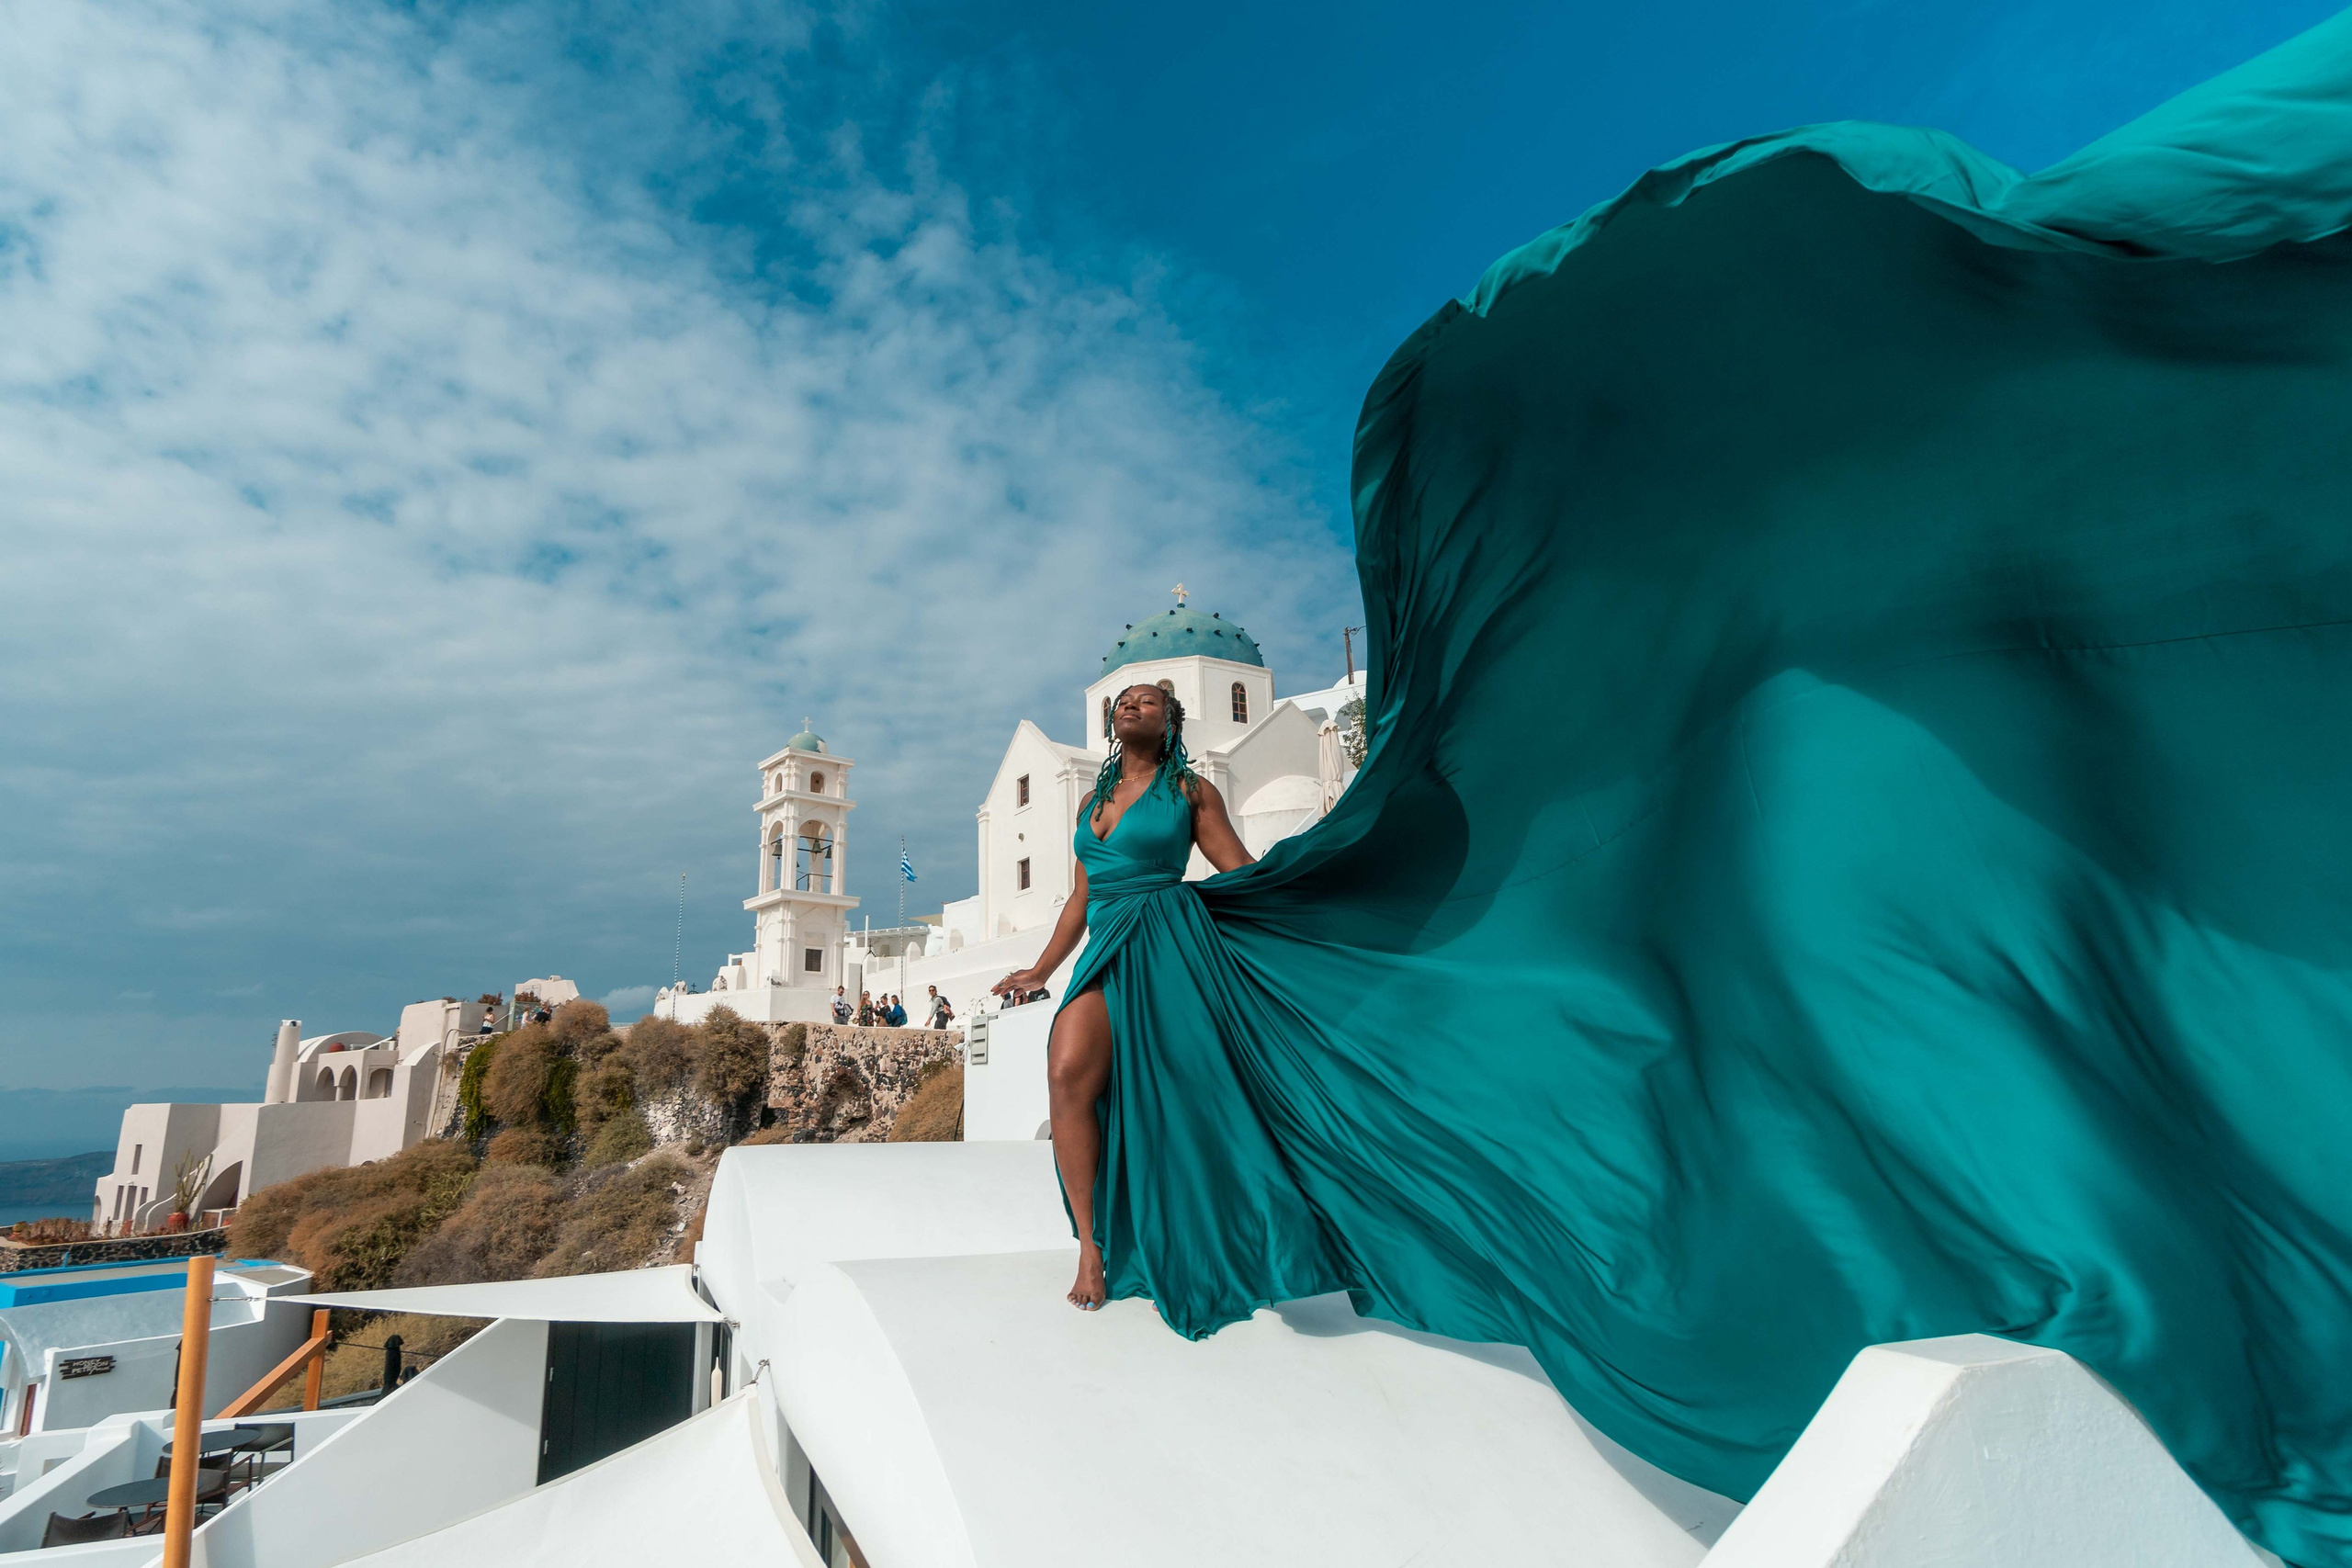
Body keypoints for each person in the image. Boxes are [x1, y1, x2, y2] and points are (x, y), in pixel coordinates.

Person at [992, 682, 1253, 1309]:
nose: (1131, 704)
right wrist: (1041, 969)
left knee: (1183, 1092)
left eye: (1148, 701)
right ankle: (1091, 1244)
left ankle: (1210, 1231)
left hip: (1170, 945)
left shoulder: (1191, 791)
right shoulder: (1091, 802)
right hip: (1105, 947)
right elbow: (1082, 897)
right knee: (1066, 1072)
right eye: (1124, 701)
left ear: (1170, 722)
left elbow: (1241, 870)